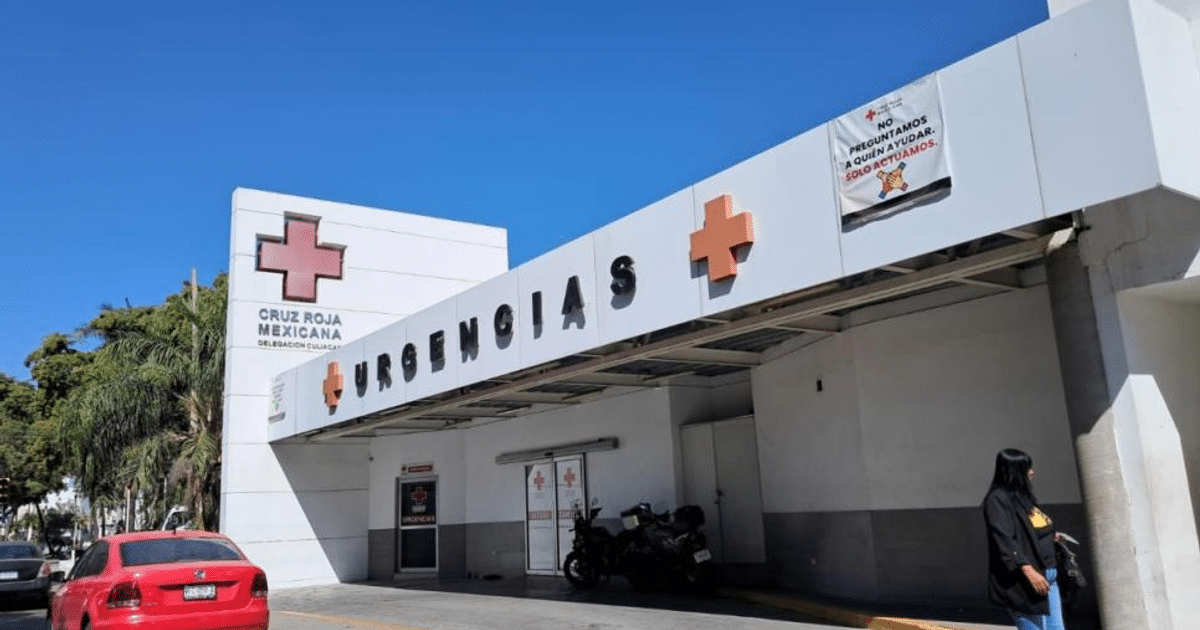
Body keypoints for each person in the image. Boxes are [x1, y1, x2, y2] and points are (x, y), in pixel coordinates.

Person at [982, 448, 1065, 630]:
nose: (1032, 472)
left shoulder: (1024, 497)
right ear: (1013, 471)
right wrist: (1029, 571)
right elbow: (1004, 539)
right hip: (1026, 582)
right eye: (1026, 468)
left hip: (1048, 577)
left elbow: (1031, 530)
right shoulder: (997, 500)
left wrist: (1052, 536)